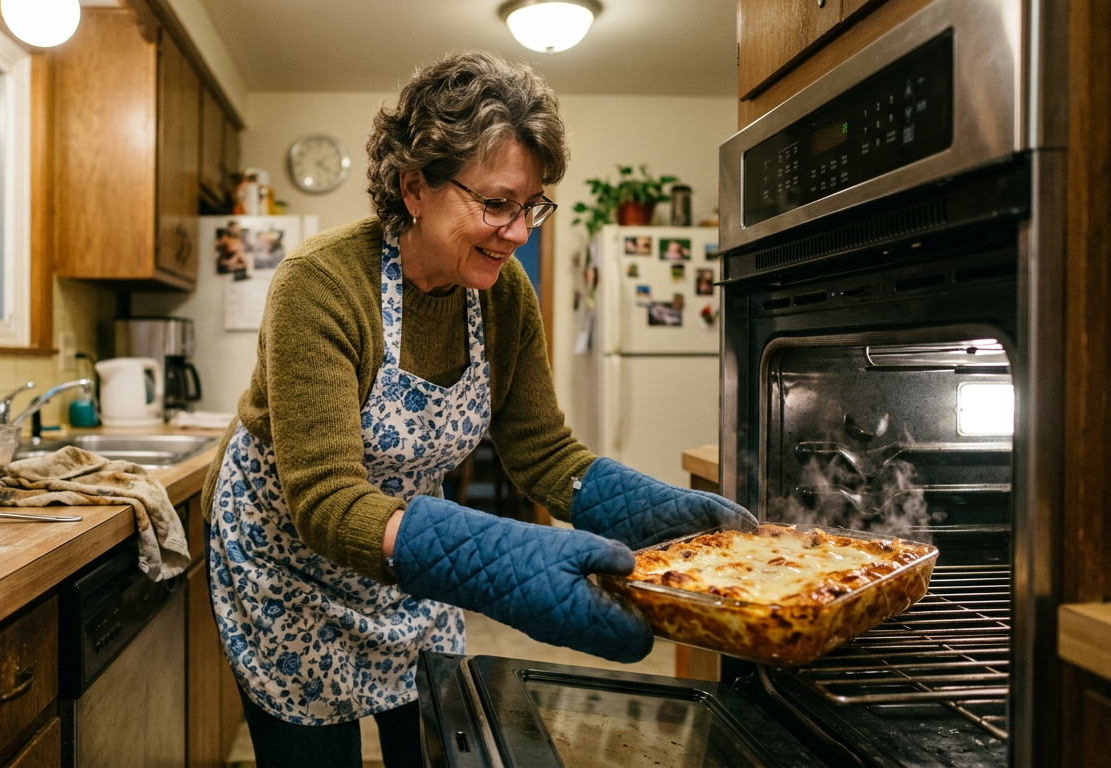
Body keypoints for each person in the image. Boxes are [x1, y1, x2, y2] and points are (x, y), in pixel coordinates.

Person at [199, 51, 755, 768]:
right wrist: (503, 562)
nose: (518, 232)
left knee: (433, 742)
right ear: (415, 187)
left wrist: (653, 513)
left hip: (408, 549)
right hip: (289, 560)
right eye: (496, 204)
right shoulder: (321, 286)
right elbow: (327, 500)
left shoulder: (504, 295)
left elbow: (543, 452)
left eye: (531, 206)